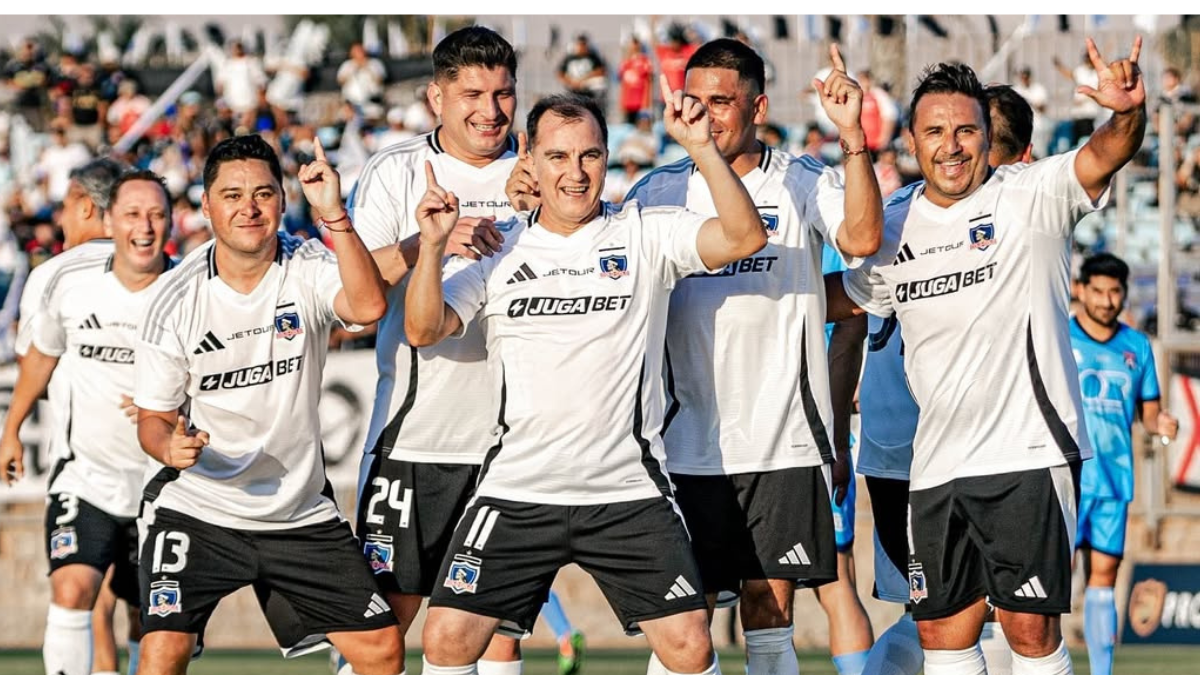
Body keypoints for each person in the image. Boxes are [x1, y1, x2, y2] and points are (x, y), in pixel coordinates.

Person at [410, 86, 766, 675]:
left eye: (590, 156)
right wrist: (429, 248)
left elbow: (744, 238)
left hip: (626, 491)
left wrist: (702, 149)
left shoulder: (646, 234)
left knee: (689, 644)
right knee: (447, 638)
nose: (575, 174)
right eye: (557, 157)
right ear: (528, 156)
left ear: (607, 156)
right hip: (518, 489)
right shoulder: (498, 249)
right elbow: (425, 329)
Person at [827, 37, 1147, 675]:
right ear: (912, 143)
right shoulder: (896, 227)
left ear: (985, 136)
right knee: (943, 635)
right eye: (935, 131)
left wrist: (1126, 114)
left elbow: (1106, 153)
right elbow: (842, 301)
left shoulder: (1033, 194)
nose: (951, 145)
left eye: (966, 130)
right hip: (936, 463)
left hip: (1027, 453)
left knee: (1029, 630)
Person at [625, 39, 882, 675]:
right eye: (695, 101)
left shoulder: (802, 180)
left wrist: (852, 134)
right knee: (687, 620)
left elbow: (864, 238)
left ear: (758, 106)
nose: (707, 116)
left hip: (783, 441)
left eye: (722, 102)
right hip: (682, 444)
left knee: (768, 613)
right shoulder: (654, 192)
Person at [347, 25, 584, 675]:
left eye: (504, 94)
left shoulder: (547, 165)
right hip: (415, 442)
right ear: (436, 98)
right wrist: (434, 244)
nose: (490, 110)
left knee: (500, 634)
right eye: (472, 93)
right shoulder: (396, 172)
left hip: (514, 446)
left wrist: (535, 221)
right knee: (381, 632)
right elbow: (354, 292)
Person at [132, 134, 398, 675]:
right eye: (231, 195)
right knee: (162, 651)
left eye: (263, 193)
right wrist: (170, 446)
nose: (248, 208)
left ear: (282, 199)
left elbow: (368, 305)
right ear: (206, 207)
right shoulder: (175, 299)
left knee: (382, 652)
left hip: (296, 510)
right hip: (202, 508)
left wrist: (335, 216)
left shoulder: (306, 261)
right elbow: (152, 420)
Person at [859, 82, 1039, 675]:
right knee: (941, 615)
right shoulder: (897, 223)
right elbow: (850, 320)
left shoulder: (1025, 222)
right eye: (939, 134)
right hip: (907, 454)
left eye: (985, 142)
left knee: (1003, 617)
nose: (962, 153)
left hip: (1002, 450)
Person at [0, 169, 174, 675]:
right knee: (75, 586)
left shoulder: (183, 283)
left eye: (155, 215)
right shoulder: (63, 280)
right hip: (86, 473)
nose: (143, 227)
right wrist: (12, 429)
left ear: (82, 204)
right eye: (134, 214)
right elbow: (39, 357)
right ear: (113, 215)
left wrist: (169, 406)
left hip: (160, 482)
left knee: (150, 615)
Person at [1071, 253, 1178, 675]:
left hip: (1113, 479)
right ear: (1081, 290)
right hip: (1066, 478)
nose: (1106, 300)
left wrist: (1161, 423)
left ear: (1124, 294)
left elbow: (1149, 414)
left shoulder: (1137, 347)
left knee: (1105, 578)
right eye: (1097, 290)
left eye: (1114, 291)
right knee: (1054, 581)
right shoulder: (1060, 337)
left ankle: (1101, 671)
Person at [557, 34, 609, 110]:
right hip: (572, 91)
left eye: (584, 44)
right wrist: (571, 82)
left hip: (589, 92)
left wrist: (583, 80)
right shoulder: (569, 58)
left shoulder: (592, 57)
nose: (582, 47)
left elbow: (601, 71)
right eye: (580, 44)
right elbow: (560, 73)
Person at [338, 43, 388, 112]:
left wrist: (367, 68)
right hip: (352, 103)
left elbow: (379, 81)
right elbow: (341, 81)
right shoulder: (347, 65)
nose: (359, 53)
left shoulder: (375, 64)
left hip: (372, 101)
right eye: (356, 52)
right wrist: (353, 70)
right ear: (351, 54)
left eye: (360, 50)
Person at [618, 37, 653, 125]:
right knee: (628, 126)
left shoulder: (644, 60)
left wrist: (648, 101)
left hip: (640, 102)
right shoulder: (625, 62)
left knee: (641, 126)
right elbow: (621, 79)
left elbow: (649, 79)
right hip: (628, 101)